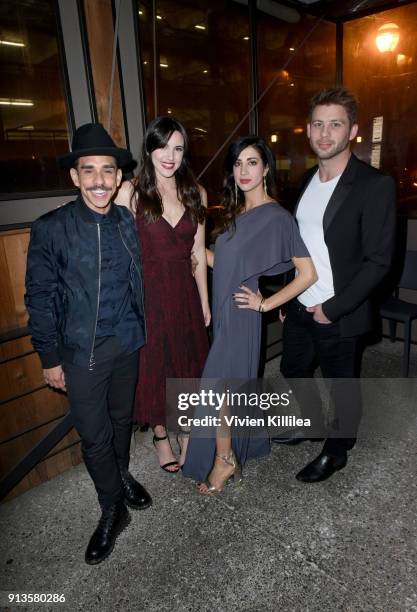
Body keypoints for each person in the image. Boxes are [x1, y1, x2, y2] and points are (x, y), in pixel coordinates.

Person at [25, 123, 152, 565]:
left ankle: (121, 476)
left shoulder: (126, 222)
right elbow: (38, 298)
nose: (99, 180)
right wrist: (49, 357)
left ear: (119, 178)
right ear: (75, 177)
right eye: (89, 170)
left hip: (127, 343)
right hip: (82, 354)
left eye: (108, 170)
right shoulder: (51, 229)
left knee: (120, 423)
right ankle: (111, 507)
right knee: (95, 437)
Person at [182, 136, 317, 493]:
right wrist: (198, 256)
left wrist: (265, 305)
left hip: (242, 314)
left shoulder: (277, 217)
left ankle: (224, 459)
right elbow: (227, 263)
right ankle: (242, 445)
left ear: (267, 168)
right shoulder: (236, 212)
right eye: (238, 163)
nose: (243, 170)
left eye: (252, 162)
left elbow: (308, 274)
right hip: (227, 311)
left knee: (219, 386)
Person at [276, 87, 396, 482]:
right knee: (293, 368)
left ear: (353, 131)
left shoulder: (373, 185)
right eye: (318, 124)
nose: (325, 133)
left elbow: (378, 262)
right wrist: (286, 292)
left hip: (339, 309)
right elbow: (300, 245)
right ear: (308, 129)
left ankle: (338, 448)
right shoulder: (308, 178)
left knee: (343, 385)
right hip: (299, 302)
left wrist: (333, 308)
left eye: (335, 125)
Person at [116, 116, 210, 472]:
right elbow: (119, 250)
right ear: (149, 148)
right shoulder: (131, 191)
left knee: (185, 365)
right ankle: (160, 436)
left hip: (184, 293)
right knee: (154, 365)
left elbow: (198, 253)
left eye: (178, 147)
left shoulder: (195, 193)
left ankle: (185, 430)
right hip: (148, 294)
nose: (169, 155)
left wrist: (203, 300)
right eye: (162, 145)